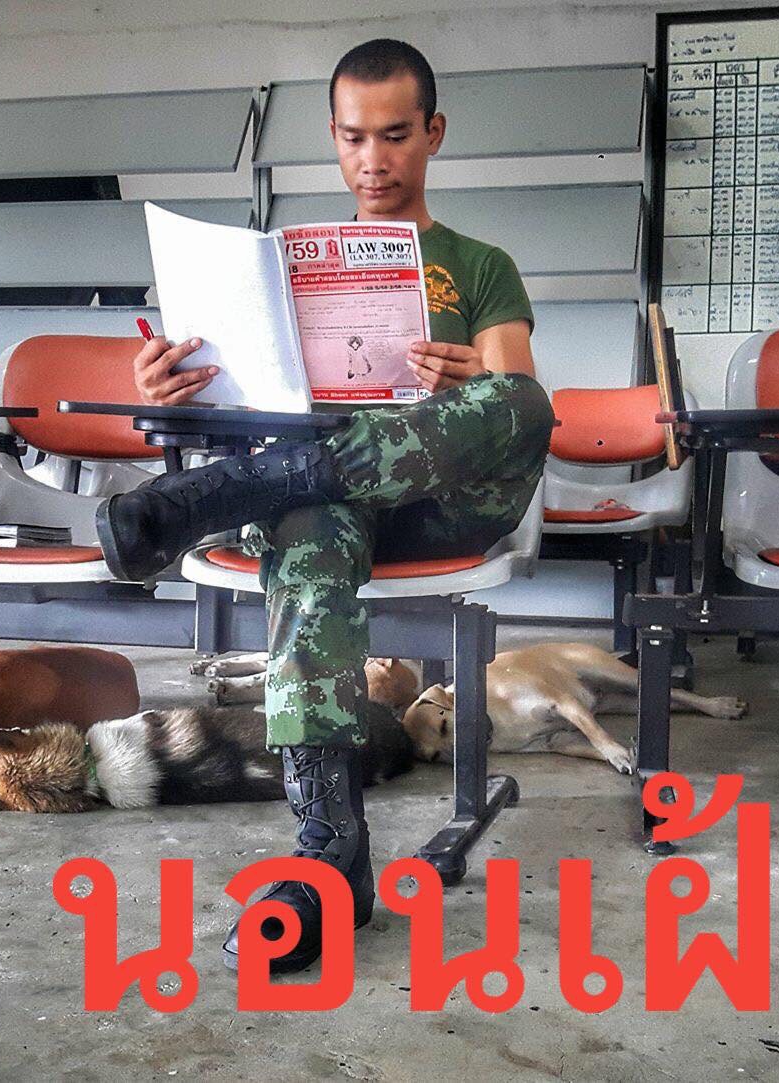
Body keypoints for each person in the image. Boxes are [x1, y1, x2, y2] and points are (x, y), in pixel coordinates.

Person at [95, 39, 553, 973]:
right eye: (353, 138)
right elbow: (234, 399)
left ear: (433, 133)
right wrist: (168, 386)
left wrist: (472, 373)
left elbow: (515, 402)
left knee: (526, 401)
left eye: (395, 136)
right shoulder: (282, 267)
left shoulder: (480, 265)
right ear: (333, 138)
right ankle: (330, 860)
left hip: (443, 500)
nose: (373, 160)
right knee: (308, 524)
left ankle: (221, 498)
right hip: (334, 507)